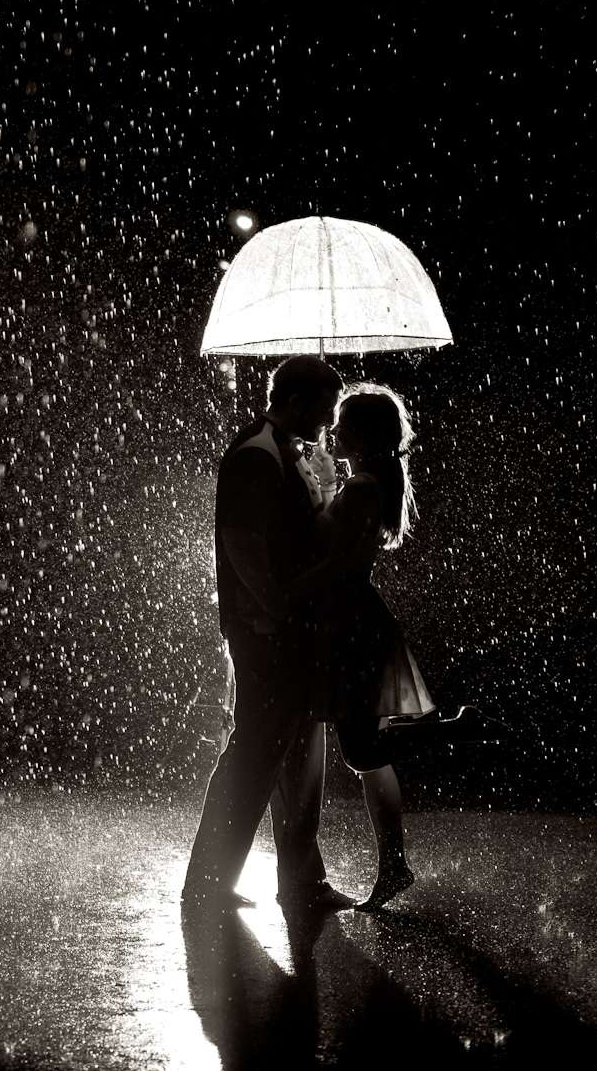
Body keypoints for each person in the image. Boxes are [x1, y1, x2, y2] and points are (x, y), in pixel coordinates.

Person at [295, 382, 496, 912]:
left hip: (350, 625)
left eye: (340, 423)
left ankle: (449, 731)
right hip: (354, 620)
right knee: (366, 756)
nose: (330, 430)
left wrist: (293, 578)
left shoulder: (362, 488)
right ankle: (394, 865)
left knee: (362, 749)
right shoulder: (366, 481)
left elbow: (336, 560)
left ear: (359, 432)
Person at [182, 355, 355, 916]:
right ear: (297, 402)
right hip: (269, 631)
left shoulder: (289, 452)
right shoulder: (256, 456)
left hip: (289, 627)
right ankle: (210, 879)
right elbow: (242, 545)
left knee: (300, 753)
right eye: (325, 407)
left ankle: (299, 879)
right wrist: (275, 610)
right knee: (258, 751)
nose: (331, 419)